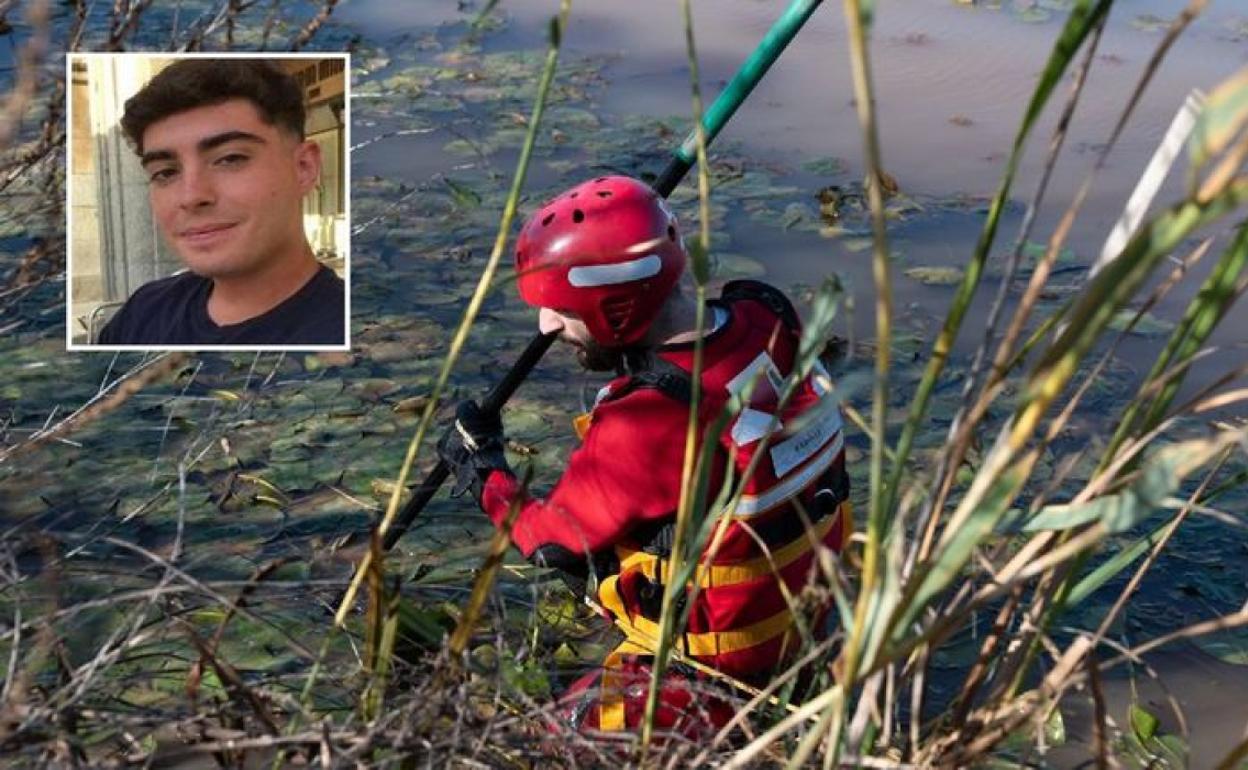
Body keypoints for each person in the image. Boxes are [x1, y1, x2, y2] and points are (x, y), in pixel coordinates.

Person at [438, 176, 851, 736]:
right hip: (811, 615)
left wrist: (484, 467)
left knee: (542, 743)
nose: (547, 326)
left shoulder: (652, 419)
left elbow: (550, 540)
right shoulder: (766, 314)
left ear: (615, 308)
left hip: (722, 665)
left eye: (560, 308)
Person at [96, 59, 344, 346]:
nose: (191, 197)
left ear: (304, 168)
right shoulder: (142, 313)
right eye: (165, 173)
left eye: (230, 159)